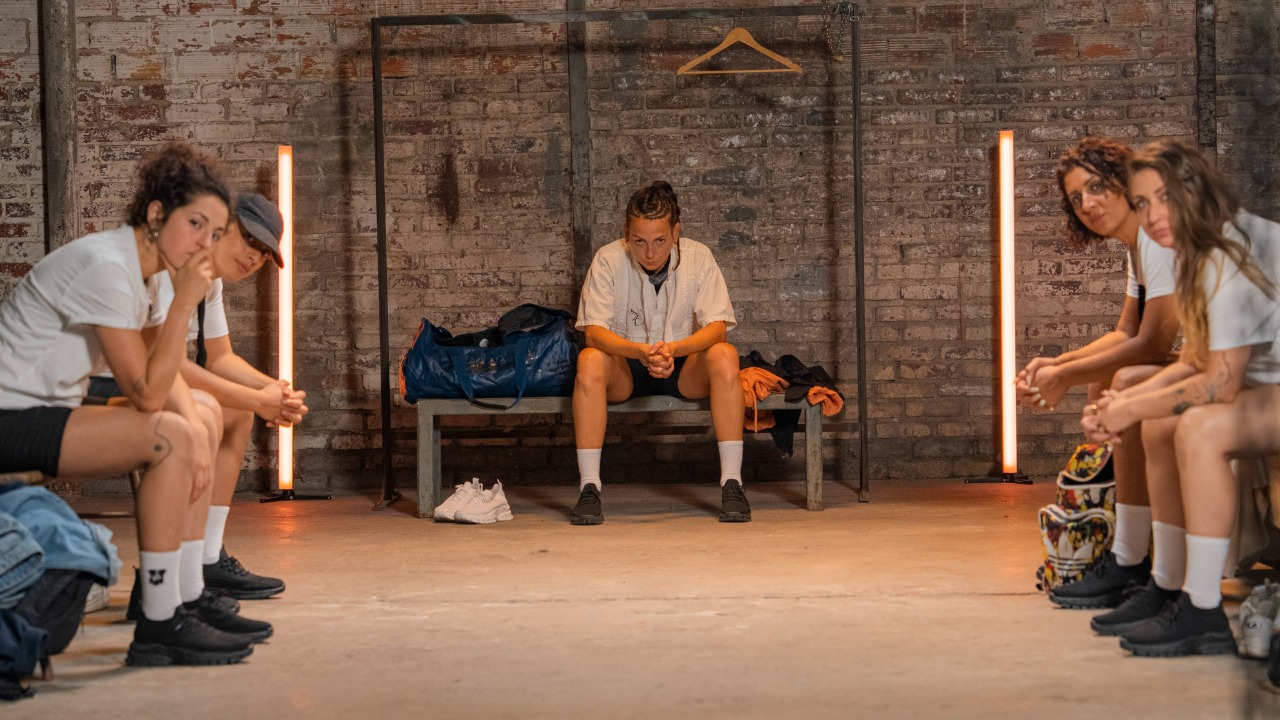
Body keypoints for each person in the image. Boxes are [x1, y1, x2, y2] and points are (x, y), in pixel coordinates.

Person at [0, 142, 257, 665]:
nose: (204, 243)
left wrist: (201, 429)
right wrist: (187, 301)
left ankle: (182, 596)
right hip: (11, 415)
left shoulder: (149, 272)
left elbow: (166, 378)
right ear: (156, 214)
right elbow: (145, 391)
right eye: (195, 224)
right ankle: (161, 623)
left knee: (201, 415)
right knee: (169, 437)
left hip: (47, 408)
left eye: (213, 232)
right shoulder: (109, 266)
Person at [1083, 138, 1280, 656]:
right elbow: (1195, 360)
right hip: (1268, 387)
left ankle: (1202, 610)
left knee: (1198, 424)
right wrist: (1120, 403)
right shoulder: (1196, 250)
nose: (1153, 214)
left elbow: (1218, 383)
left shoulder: (1228, 252)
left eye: (1164, 197)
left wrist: (1127, 406)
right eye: (1144, 202)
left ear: (1194, 189)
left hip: (1266, 388)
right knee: (1160, 419)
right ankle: (1167, 586)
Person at [114, 193, 306, 602]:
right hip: (117, 381)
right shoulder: (172, 269)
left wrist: (273, 389)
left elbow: (220, 358)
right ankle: (173, 580)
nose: (255, 259)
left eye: (265, 254)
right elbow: (161, 366)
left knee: (237, 412)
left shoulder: (210, 283)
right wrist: (257, 400)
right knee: (223, 411)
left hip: (153, 381)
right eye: (250, 242)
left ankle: (207, 557)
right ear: (223, 228)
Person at [1015, 137, 1180, 610]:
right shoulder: (1138, 247)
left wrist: (1063, 379)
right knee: (1106, 378)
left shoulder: (1157, 237)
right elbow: (1125, 330)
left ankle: (1131, 561)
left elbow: (1152, 343)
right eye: (1075, 198)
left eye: (1096, 186)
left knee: (1124, 380)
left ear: (1126, 181)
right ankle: (1127, 549)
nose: (1087, 203)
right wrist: (1056, 365)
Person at [570, 181, 747, 524]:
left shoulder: (699, 257)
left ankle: (732, 483)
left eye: (660, 241)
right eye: (639, 241)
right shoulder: (608, 259)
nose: (649, 253)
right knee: (588, 359)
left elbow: (717, 327)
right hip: (626, 367)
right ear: (627, 234)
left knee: (725, 354)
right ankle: (589, 488)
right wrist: (639, 351)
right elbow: (593, 333)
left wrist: (676, 348)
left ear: (676, 232)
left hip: (683, 366)